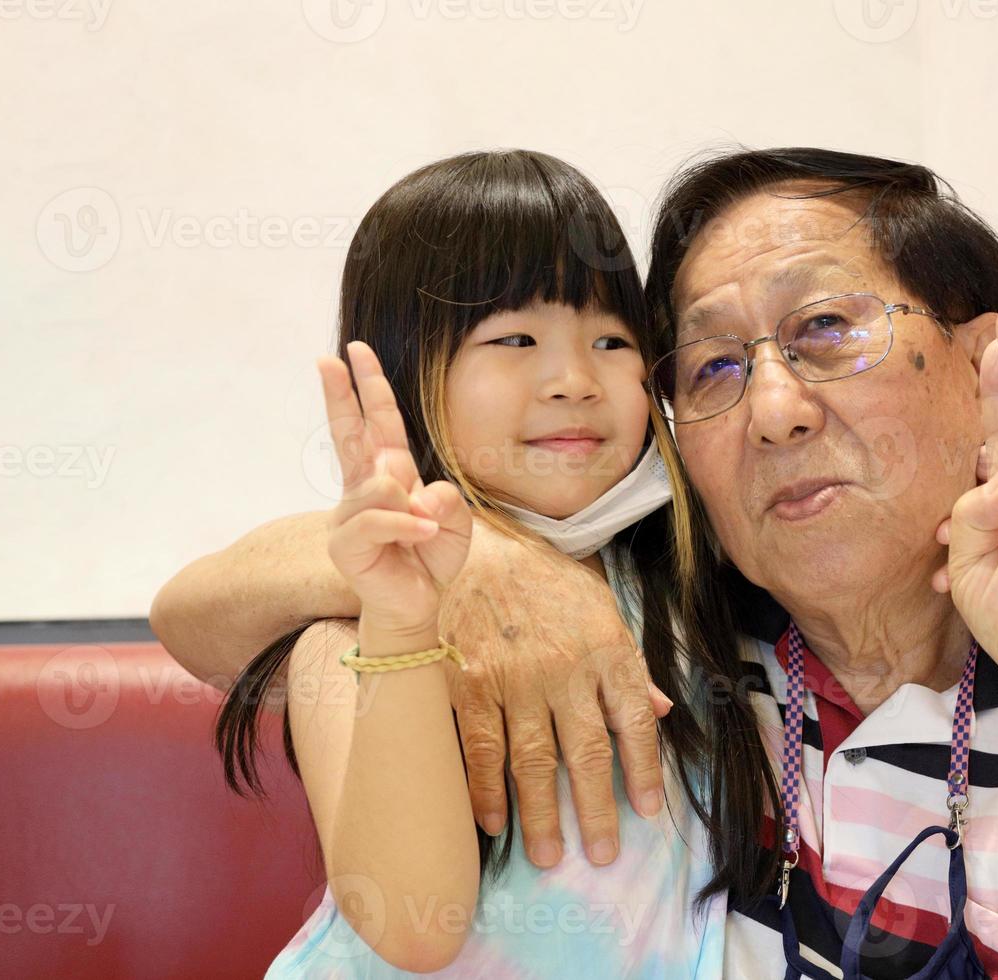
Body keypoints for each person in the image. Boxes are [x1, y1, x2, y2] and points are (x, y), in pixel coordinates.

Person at [154, 147, 998, 978]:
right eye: (711, 365)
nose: (777, 409)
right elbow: (202, 612)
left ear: (979, 358)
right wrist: (472, 559)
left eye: (825, 331)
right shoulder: (709, 638)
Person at [212, 149, 737, 976]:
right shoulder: (359, 625)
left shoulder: (687, 585)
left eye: (610, 338)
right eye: (515, 337)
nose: (573, 379)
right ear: (402, 364)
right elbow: (414, 927)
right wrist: (400, 621)